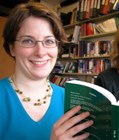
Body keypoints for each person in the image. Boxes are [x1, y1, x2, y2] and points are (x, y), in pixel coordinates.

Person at [0, 2, 93, 140]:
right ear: (12, 47)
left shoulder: (71, 100)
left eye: (49, 41)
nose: (40, 52)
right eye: (28, 41)